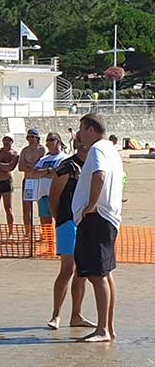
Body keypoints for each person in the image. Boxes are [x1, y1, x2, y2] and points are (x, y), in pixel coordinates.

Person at [73, 114, 123, 343]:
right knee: (105, 273)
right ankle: (108, 328)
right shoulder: (111, 148)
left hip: (98, 218)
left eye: (82, 129)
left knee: (96, 274)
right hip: (108, 217)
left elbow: (100, 176)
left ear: (91, 130)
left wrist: (90, 206)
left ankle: (103, 329)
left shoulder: (97, 150)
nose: (79, 134)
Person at [47, 132, 93, 330]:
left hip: (88, 222)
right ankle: (56, 314)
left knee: (82, 271)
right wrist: (60, 220)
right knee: (67, 269)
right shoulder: (67, 166)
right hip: (67, 221)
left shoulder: (94, 165)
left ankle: (76, 315)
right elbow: (53, 197)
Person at [32, 132, 68, 228]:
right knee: (45, 223)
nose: (49, 142)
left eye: (51, 139)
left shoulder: (64, 158)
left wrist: (43, 173)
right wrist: (48, 170)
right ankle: (49, 243)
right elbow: (34, 173)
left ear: (58, 141)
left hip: (58, 195)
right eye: (47, 140)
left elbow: (58, 175)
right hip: (43, 195)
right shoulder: (43, 159)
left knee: (59, 221)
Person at [18, 128, 47, 235]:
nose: (30, 139)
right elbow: (20, 166)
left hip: (39, 181)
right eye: (29, 136)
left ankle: (45, 232)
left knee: (42, 208)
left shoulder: (42, 149)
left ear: (37, 138)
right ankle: (28, 232)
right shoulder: (25, 150)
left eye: (32, 137)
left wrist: (30, 166)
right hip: (28, 181)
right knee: (26, 208)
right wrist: (32, 167)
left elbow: (41, 165)